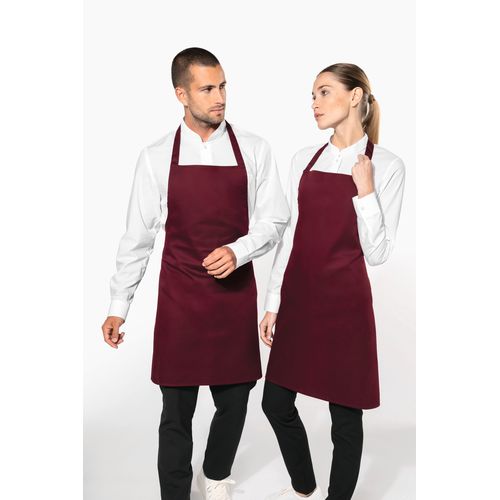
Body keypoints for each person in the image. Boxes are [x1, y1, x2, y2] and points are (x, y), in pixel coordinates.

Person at [101, 47, 289, 500]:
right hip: (180, 299)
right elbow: (138, 236)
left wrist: (239, 251)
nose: (219, 97)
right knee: (176, 410)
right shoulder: (155, 156)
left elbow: (275, 219)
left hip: (234, 296)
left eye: (223, 86)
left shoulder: (255, 149)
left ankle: (216, 473)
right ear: (181, 94)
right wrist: (118, 305)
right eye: (207, 89)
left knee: (236, 399)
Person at [259, 63, 406, 500]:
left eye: (324, 92)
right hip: (300, 300)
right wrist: (273, 302)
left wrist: (365, 191)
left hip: (345, 305)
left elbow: (377, 253)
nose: (314, 103)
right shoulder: (303, 159)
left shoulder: (387, 166)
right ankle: (304, 487)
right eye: (312, 95)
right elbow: (291, 235)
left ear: (355, 96)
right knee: (275, 403)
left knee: (345, 415)